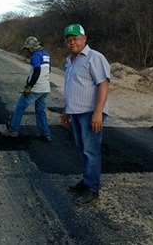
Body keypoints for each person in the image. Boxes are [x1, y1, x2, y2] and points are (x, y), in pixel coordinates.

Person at [61, 24, 111, 206]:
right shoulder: (70, 61)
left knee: (91, 151)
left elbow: (103, 84)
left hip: (90, 113)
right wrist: (66, 111)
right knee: (83, 150)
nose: (72, 42)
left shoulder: (94, 58)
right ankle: (87, 180)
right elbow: (70, 88)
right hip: (75, 112)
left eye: (75, 38)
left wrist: (98, 113)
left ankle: (93, 189)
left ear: (84, 39)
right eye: (69, 40)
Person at [5, 36, 52, 141]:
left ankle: (13, 130)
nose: (28, 51)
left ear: (31, 47)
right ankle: (46, 134)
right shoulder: (46, 54)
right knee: (40, 111)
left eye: (28, 49)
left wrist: (29, 86)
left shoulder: (35, 55)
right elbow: (48, 70)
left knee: (20, 107)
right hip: (45, 88)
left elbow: (36, 71)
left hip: (36, 88)